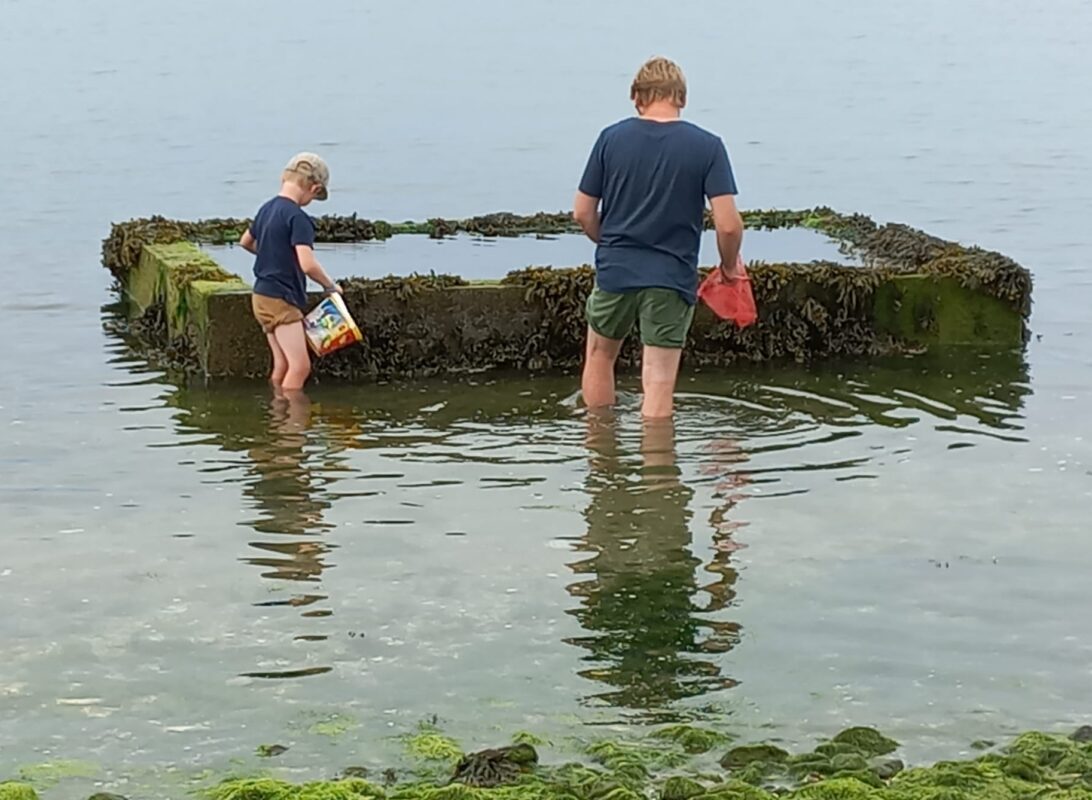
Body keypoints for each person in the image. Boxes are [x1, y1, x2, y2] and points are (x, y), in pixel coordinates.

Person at [573, 57, 745, 419]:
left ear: (637, 96)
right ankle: (659, 471)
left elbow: (582, 213)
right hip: (671, 275)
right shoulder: (708, 146)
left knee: (600, 357)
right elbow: (728, 225)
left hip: (616, 271)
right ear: (681, 98)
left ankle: (602, 461)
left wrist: (609, 243)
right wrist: (729, 267)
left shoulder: (610, 138)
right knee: (658, 380)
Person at [239, 153, 342, 391]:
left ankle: (277, 414)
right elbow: (308, 265)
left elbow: (246, 242)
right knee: (300, 367)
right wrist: (330, 286)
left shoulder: (266, 209)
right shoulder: (298, 218)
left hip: (261, 296)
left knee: (282, 364)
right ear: (314, 188)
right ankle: (292, 424)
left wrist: (273, 256)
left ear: (283, 178)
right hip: (281, 300)